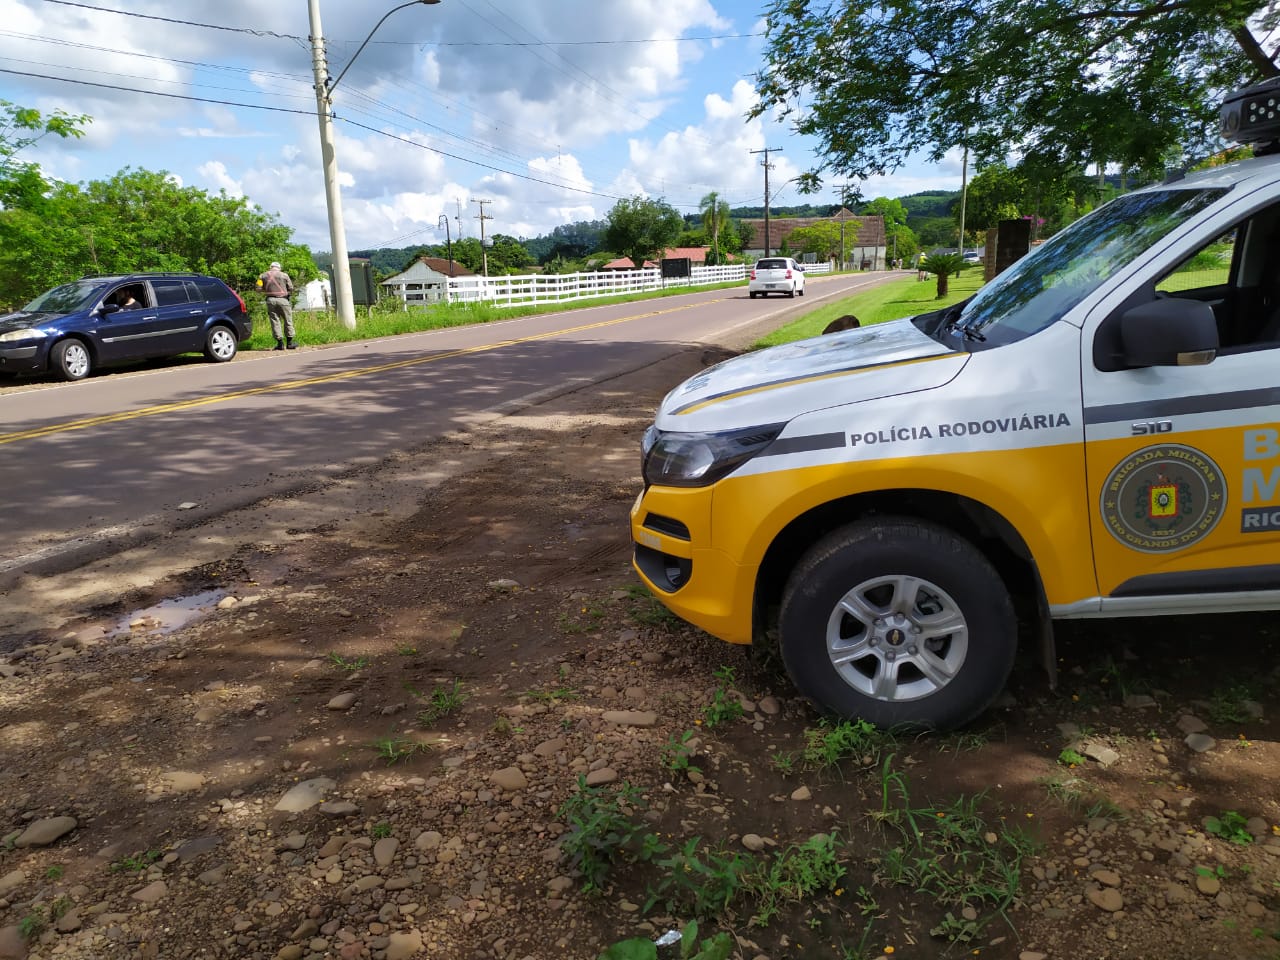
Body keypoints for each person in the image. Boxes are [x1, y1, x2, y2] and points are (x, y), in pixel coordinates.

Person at [257, 261, 296, 350]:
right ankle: (289, 343)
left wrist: (267, 290)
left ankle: (280, 344)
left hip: (270, 300)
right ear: (279, 268)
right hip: (283, 300)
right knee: (288, 320)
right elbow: (291, 288)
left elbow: (258, 288)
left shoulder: (262, 276)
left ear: (270, 267)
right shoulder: (284, 275)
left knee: (275, 321)